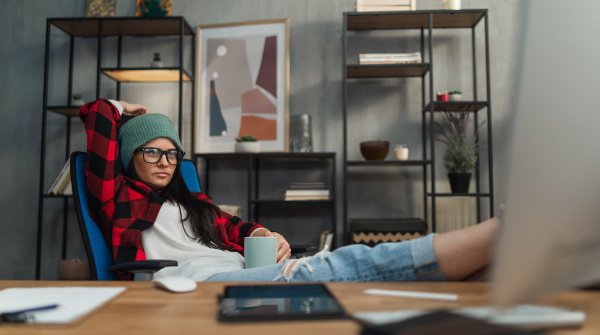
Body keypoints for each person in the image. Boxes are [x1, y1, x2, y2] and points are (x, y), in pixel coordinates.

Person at [80, 98, 499, 282]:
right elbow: (97, 120)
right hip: (193, 283)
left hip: (239, 269)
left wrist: (264, 234)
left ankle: (488, 265)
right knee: (332, 269)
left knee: (327, 264)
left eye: (172, 155)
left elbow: (238, 229)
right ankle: (498, 234)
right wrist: (122, 110)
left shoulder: (193, 202)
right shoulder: (117, 198)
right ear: (130, 157)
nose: (164, 164)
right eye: (152, 153)